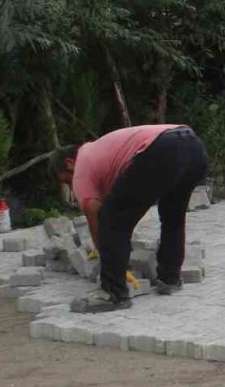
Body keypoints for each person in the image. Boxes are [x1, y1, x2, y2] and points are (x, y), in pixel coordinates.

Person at [55, 124, 209, 312]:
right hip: (193, 145)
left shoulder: (81, 166)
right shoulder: (101, 150)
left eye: (67, 181)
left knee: (111, 218)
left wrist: (104, 251)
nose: (72, 186)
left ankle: (113, 292)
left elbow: (94, 211)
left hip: (162, 149)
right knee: (173, 216)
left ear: (70, 162)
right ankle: (170, 278)